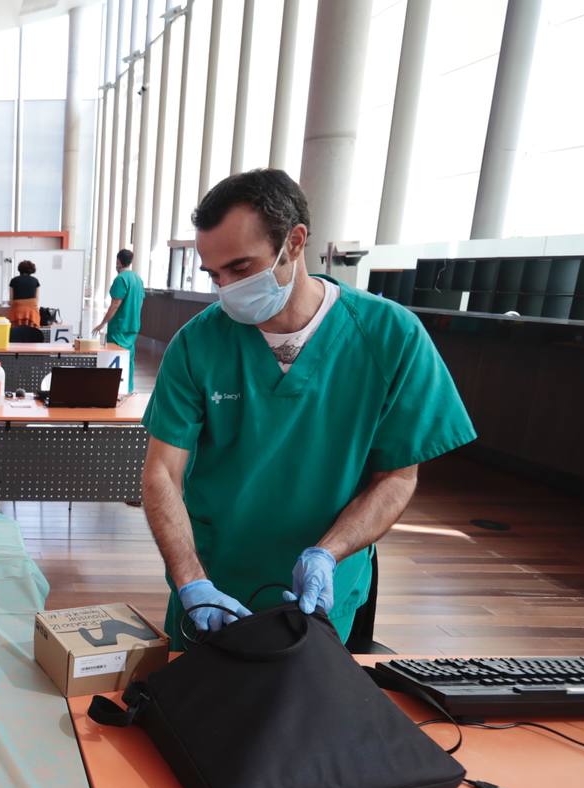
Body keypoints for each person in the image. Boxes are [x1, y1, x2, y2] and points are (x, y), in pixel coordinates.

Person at [141, 169, 476, 650]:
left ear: (294, 242)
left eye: (240, 268)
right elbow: (161, 474)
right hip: (216, 577)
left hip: (323, 590)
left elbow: (397, 478)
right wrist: (191, 580)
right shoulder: (199, 344)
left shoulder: (389, 337)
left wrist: (328, 553)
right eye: (214, 274)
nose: (226, 288)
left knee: (310, 709)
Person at [94, 249, 144, 391]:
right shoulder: (138, 279)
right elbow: (140, 303)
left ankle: (112, 388)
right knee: (128, 359)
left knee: (114, 356)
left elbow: (115, 305)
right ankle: (128, 389)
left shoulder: (121, 279)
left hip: (119, 327)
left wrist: (102, 323)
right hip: (133, 327)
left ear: (118, 261)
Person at [7, 260, 42, 327]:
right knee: (32, 334)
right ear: (31, 270)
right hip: (32, 313)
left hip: (17, 312)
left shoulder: (14, 280)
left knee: (16, 334)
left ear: (19, 269)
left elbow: (11, 301)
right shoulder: (35, 281)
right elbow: (36, 301)